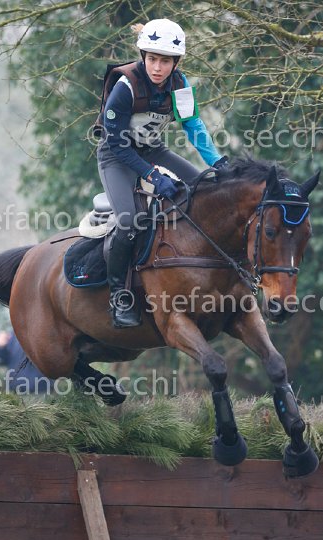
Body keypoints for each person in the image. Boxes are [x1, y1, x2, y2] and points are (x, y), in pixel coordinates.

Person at [96, 18, 228, 329]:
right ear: (143, 56)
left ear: (175, 63)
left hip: (153, 150)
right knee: (129, 220)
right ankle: (119, 296)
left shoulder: (180, 85)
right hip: (116, 156)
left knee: (203, 190)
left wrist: (217, 162)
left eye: (165, 61)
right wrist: (154, 177)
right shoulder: (125, 87)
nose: (157, 67)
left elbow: (193, 126)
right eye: (152, 59)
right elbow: (117, 144)